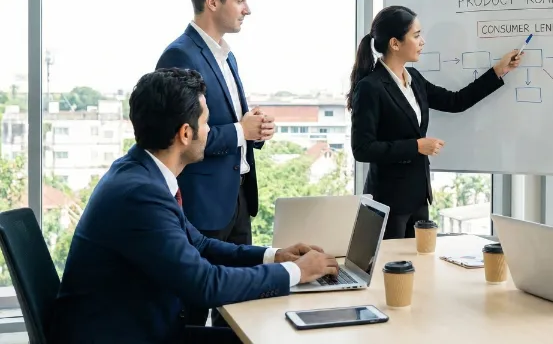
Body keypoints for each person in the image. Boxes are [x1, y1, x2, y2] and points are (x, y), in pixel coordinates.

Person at [48, 69, 339, 344]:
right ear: (186, 133)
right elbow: (205, 284)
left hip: (142, 329)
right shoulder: (140, 194)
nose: (209, 130)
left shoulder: (140, 173)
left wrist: (275, 256)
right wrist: (295, 272)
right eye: (206, 123)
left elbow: (200, 245)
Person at [156, 0, 273, 326]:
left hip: (238, 196)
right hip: (204, 202)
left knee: (239, 302)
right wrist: (241, 130)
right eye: (240, 0)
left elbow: (230, 123)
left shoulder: (227, 54)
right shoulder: (180, 55)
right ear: (212, 2)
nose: (247, 9)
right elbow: (178, 135)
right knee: (195, 306)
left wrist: (254, 129)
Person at [349, 5, 522, 239]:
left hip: (418, 199)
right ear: (395, 43)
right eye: (416, 35)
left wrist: (499, 71)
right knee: (391, 262)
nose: (422, 42)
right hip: (388, 203)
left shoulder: (414, 78)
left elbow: (455, 101)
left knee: (419, 260)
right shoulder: (370, 87)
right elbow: (362, 149)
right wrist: (416, 146)